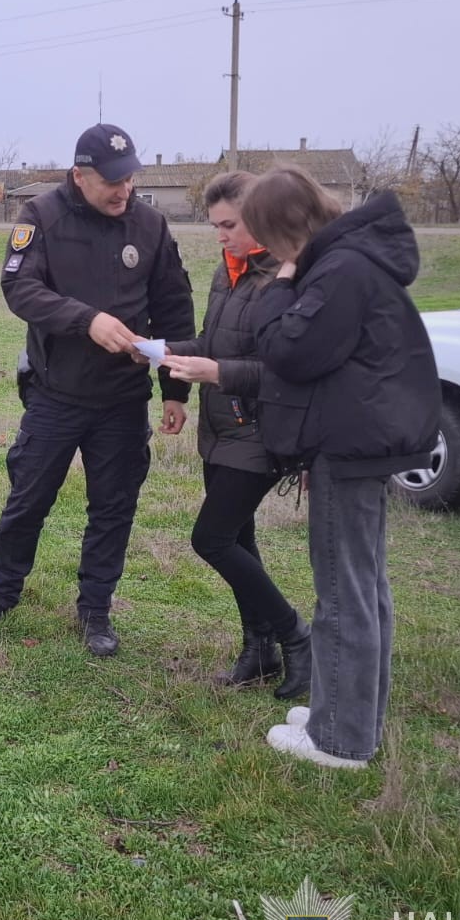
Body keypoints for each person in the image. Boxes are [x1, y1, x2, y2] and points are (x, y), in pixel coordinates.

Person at [0, 123, 196, 657]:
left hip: (122, 398)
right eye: (112, 181)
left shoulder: (151, 226)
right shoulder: (42, 217)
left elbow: (175, 308)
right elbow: (19, 287)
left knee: (113, 507)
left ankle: (95, 610)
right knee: (28, 499)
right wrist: (85, 320)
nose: (124, 190)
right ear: (79, 175)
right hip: (55, 393)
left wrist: (175, 390)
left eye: (130, 178)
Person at [242, 167, 439, 770]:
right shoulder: (354, 259)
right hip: (364, 440)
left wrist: (280, 285)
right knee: (364, 585)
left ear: (286, 231)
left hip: (350, 449)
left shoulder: (339, 269)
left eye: (267, 241)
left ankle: (341, 738)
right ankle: (348, 711)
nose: (268, 254)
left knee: (343, 593)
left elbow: (287, 350)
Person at [162, 171, 311, 698]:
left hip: (262, 431)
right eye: (215, 226)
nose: (220, 236)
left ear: (263, 217)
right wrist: (159, 351)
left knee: (212, 539)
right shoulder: (228, 271)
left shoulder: (290, 278)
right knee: (240, 538)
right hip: (219, 427)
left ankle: (296, 635)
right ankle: (259, 649)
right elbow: (212, 340)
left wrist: (217, 372)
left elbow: (287, 368)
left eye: (229, 225)